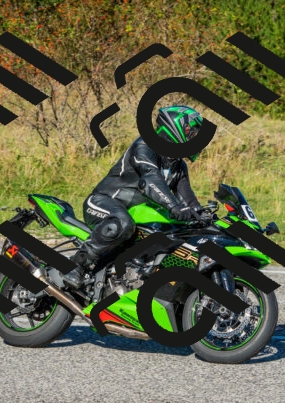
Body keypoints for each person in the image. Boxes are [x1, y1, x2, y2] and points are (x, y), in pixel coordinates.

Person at [60, 105, 204, 288]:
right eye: (193, 133)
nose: (195, 139)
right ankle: (77, 265)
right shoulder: (145, 146)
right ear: (177, 127)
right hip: (103, 202)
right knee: (122, 224)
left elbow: (188, 198)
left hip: (135, 213)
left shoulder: (178, 165)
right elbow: (150, 180)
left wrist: (202, 216)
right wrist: (173, 207)